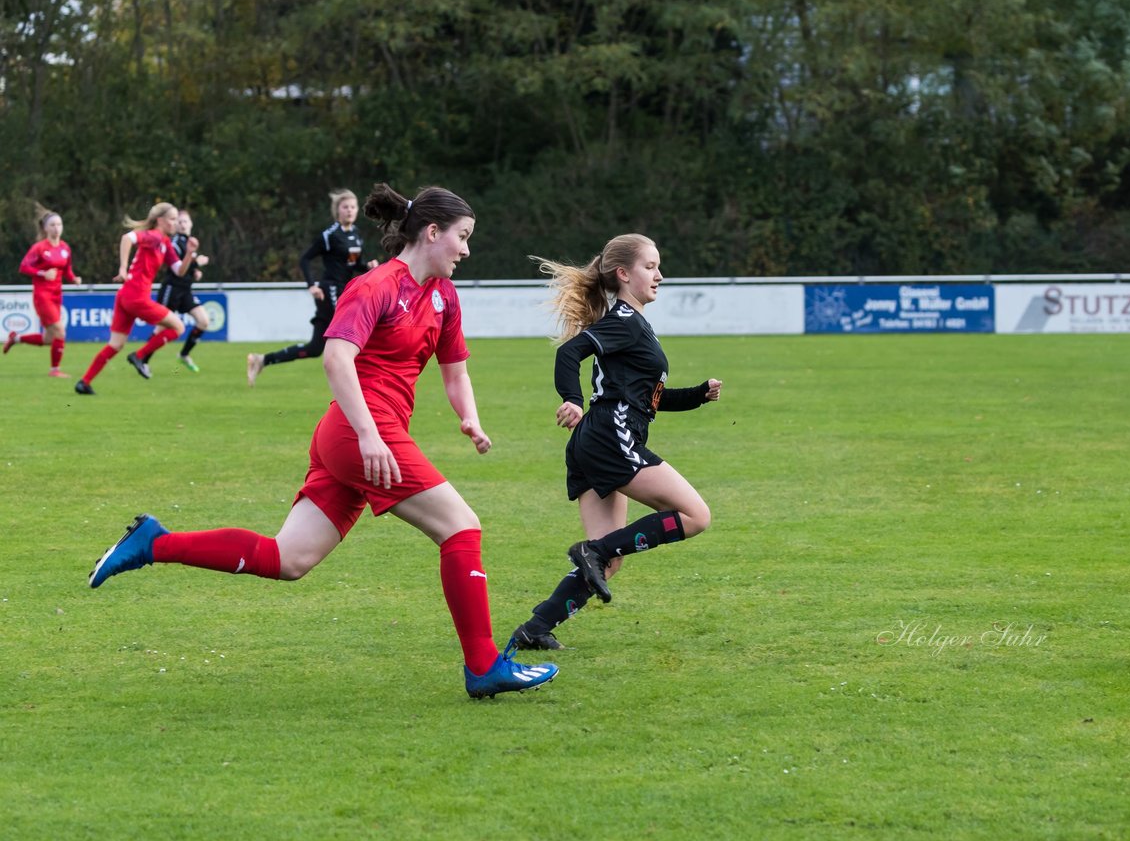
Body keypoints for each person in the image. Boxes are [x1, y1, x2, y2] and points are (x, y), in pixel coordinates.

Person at [89, 183, 559, 700]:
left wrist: (469, 418)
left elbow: (455, 371)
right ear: (432, 233)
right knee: (461, 526)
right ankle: (485, 665)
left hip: (365, 435)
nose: (467, 249)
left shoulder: (444, 296)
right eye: (462, 237)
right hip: (360, 431)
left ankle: (152, 542)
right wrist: (368, 435)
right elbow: (336, 358)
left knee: (287, 559)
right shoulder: (375, 285)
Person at [510, 233, 722, 651]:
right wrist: (571, 398)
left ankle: (535, 628)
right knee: (695, 516)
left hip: (597, 438)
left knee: (611, 561)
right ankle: (593, 550)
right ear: (623, 274)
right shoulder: (624, 321)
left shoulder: (634, 323)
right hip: (610, 436)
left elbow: (649, 400)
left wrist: (696, 395)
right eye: (650, 267)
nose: (659, 275)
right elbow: (568, 354)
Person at [247, 189, 378, 386]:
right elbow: (305, 259)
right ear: (337, 210)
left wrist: (367, 266)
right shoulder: (329, 235)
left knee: (315, 348)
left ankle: (261, 360)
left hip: (345, 289)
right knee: (351, 330)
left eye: (353, 207)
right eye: (345, 207)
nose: (349, 211)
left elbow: (352, 263)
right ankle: (363, 380)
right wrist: (311, 285)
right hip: (330, 290)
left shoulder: (356, 235)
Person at [73, 203, 198, 395]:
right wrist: (122, 268)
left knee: (115, 345)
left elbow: (179, 271)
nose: (176, 223)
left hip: (125, 296)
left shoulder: (164, 243)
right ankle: (139, 356)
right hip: (136, 297)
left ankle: (85, 382)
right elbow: (127, 238)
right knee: (178, 327)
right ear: (160, 221)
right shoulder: (154, 236)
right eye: (172, 219)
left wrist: (189, 253)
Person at [5, 203, 81, 377]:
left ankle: (15, 338)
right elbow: (24, 267)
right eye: (52, 225)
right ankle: (54, 370)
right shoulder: (39, 248)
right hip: (42, 296)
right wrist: (42, 273)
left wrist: (74, 278)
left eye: (59, 224)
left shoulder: (64, 248)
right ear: (46, 228)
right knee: (60, 331)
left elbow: (67, 270)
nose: (56, 228)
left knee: (48, 339)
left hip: (56, 296)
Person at [140, 208, 211, 372]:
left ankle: (184, 354)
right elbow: (178, 268)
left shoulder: (189, 242)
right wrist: (197, 263)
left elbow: (188, 268)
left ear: (191, 223)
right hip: (171, 290)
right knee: (161, 328)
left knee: (204, 321)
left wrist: (195, 272)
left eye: (185, 221)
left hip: (185, 291)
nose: (182, 224)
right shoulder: (175, 242)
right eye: (179, 221)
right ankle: (143, 359)